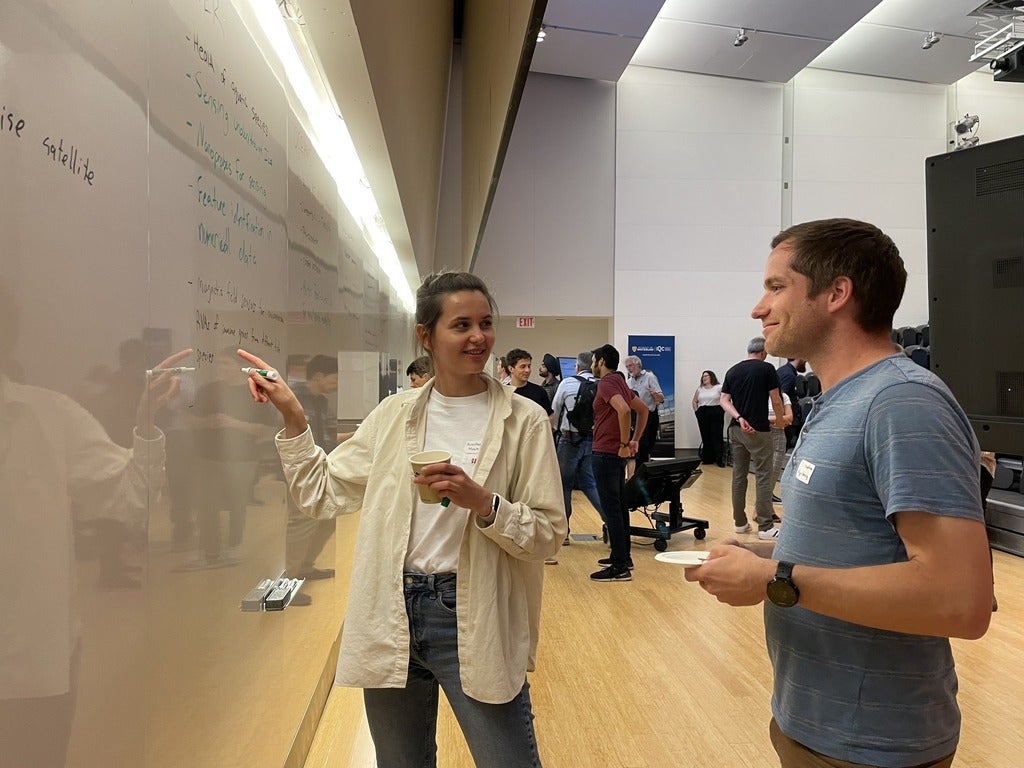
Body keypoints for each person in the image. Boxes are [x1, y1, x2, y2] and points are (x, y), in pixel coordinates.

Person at [684, 218, 992, 768]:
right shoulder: (840, 401)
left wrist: (775, 581)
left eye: (777, 287)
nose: (759, 307)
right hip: (811, 726)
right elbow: (856, 546)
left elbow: (960, 600)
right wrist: (763, 556)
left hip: (872, 746)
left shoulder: (902, 403)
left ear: (837, 293)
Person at [238, 270, 565, 767]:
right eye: (461, 325)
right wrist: (294, 418)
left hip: (470, 613)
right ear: (426, 335)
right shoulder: (395, 414)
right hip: (392, 608)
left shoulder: (523, 420)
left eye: (485, 323)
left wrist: (483, 502)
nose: (478, 337)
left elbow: (547, 535)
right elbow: (320, 493)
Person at [589, 343, 648, 582]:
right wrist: (634, 440)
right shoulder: (621, 382)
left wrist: (626, 444)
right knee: (619, 505)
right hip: (615, 454)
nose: (593, 365)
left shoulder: (606, 382)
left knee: (612, 508)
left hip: (606, 452)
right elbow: (643, 410)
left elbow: (624, 411)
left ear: (601, 361)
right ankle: (622, 556)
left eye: (594, 360)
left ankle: (620, 566)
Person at [721, 337, 786, 540]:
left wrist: (739, 418)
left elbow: (723, 400)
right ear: (764, 351)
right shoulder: (767, 369)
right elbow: (776, 399)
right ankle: (766, 526)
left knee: (739, 476)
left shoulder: (732, 370)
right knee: (764, 476)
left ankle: (740, 522)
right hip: (759, 430)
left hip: (736, 430)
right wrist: (782, 420)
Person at [285, 354, 341, 585]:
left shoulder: (322, 402)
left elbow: (326, 437)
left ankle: (305, 567)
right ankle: (288, 580)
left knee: (327, 519)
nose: (337, 384)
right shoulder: (295, 400)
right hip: (300, 473)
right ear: (319, 376)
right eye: (335, 379)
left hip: (320, 469)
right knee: (301, 523)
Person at [549, 351, 605, 543]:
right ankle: (609, 522)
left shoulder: (567, 383)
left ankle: (563, 532)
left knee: (564, 486)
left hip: (569, 439)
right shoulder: (599, 385)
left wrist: (557, 431)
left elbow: (555, 411)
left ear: (577, 367)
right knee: (589, 483)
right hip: (592, 440)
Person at [624, 354, 664, 467]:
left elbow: (661, 399)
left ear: (638, 365)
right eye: (627, 367)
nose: (629, 368)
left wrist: (655, 395)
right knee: (636, 446)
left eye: (631, 365)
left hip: (649, 415)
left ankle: (644, 472)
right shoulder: (628, 382)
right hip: (634, 417)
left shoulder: (650, 377)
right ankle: (636, 474)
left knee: (646, 446)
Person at [691, 370, 724, 466]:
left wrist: (722, 410)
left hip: (716, 411)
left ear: (711, 377)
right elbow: (694, 401)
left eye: (706, 376)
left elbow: (725, 399)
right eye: (703, 376)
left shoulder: (719, 387)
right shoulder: (700, 389)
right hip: (703, 413)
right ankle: (708, 458)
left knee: (717, 435)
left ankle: (719, 459)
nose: (704, 378)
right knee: (705, 436)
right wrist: (696, 411)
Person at [505, 348, 552, 415]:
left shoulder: (540, 392)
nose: (527, 370)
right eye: (523, 367)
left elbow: (549, 416)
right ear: (511, 369)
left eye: (529, 366)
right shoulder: (503, 393)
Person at [776, 357, 806, 448]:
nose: (805, 360)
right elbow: (781, 396)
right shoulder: (788, 375)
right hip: (787, 420)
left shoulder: (784, 371)